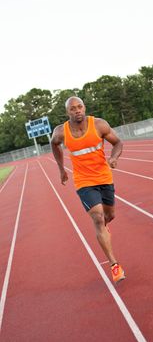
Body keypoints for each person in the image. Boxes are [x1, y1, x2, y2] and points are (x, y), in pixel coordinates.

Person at [51, 96, 125, 284]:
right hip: (84, 181)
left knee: (109, 215)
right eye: (73, 109)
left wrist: (114, 158)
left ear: (84, 107)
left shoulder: (99, 125)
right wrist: (61, 169)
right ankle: (114, 265)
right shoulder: (61, 132)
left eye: (79, 107)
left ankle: (105, 230)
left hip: (104, 177)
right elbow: (54, 143)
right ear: (67, 112)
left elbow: (118, 143)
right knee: (98, 218)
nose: (77, 111)